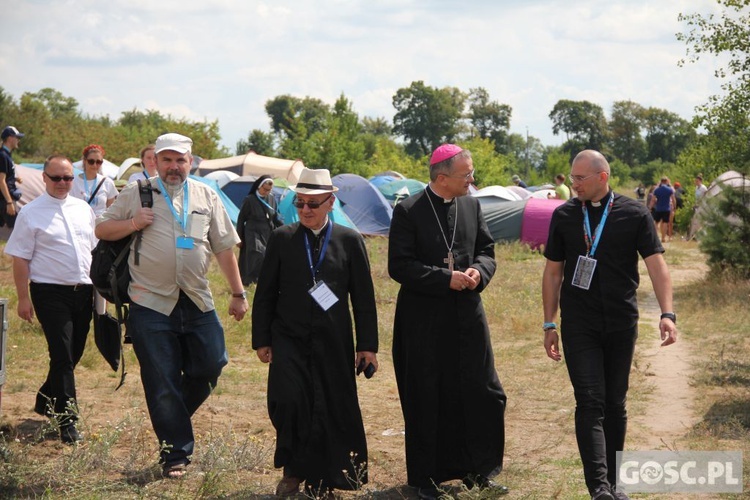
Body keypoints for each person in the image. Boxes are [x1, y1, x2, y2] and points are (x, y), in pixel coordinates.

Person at [95, 133, 248, 478]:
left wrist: (238, 293)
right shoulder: (138, 192)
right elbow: (102, 228)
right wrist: (133, 223)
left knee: (212, 363)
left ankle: (171, 416)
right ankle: (175, 454)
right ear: (156, 161)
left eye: (180, 160)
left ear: (191, 161)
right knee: (161, 378)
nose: (174, 166)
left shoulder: (207, 195)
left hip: (196, 298)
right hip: (150, 301)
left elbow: (224, 248)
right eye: (167, 159)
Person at [542, 149, 678, 500]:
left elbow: (656, 265)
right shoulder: (564, 215)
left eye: (580, 178)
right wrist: (548, 323)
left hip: (621, 321)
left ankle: (616, 484)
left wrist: (667, 313)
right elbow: (553, 272)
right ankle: (599, 488)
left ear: (603, 177)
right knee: (589, 401)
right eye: (571, 178)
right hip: (579, 324)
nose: (574, 184)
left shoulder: (634, 214)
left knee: (615, 403)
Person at [388, 144, 508, 500]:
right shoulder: (408, 210)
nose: (473, 180)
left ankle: (480, 471)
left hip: (467, 316)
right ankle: (426, 479)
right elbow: (400, 266)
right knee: (426, 394)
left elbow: (487, 251)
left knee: (483, 392)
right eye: (467, 174)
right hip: (423, 320)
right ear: (442, 178)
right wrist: (444, 278)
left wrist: (477, 271)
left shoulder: (472, 205)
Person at [252, 168, 378, 499]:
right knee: (291, 402)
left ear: (330, 202)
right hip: (288, 338)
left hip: (334, 339)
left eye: (313, 204)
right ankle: (293, 471)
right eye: (300, 203)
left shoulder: (349, 241)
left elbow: (363, 299)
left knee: (331, 406)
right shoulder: (282, 238)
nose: (306, 210)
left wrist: (367, 345)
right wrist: (261, 339)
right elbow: (265, 292)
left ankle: (322, 480)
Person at [4, 155, 97, 444]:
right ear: (43, 178)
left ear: (74, 178)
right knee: (62, 355)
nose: (62, 183)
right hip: (49, 293)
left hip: (83, 292)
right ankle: (67, 421)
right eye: (56, 178)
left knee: (74, 353)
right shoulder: (30, 213)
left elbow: (93, 249)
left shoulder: (83, 208)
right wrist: (23, 298)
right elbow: (20, 258)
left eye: (67, 178)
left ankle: (46, 397)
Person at [236, 174, 282, 285]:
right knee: (257, 254)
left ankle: (260, 280)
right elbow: (241, 219)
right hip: (253, 231)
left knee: (266, 256)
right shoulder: (250, 200)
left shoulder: (272, 199)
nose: (266, 192)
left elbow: (275, 217)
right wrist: (239, 237)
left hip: (267, 231)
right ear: (259, 186)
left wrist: (284, 229)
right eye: (265, 189)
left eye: (269, 190)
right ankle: (250, 280)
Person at [71, 144, 118, 217]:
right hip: (79, 221)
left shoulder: (107, 182)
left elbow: (111, 210)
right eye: (91, 161)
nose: (95, 165)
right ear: (84, 161)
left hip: (100, 225)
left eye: (98, 162)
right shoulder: (73, 181)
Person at [0, 125, 25, 228]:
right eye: (17, 138)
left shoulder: (6, 154)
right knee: (19, 229)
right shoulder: (3, 155)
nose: (18, 140)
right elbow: (1, 181)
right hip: (5, 200)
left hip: (3, 199)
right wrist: (9, 202)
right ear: (10, 138)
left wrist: (14, 178)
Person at [649, 177, 675, 243]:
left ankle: (655, 237)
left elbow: (653, 200)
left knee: (656, 222)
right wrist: (674, 207)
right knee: (665, 223)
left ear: (661, 181)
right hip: (666, 208)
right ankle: (663, 238)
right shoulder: (669, 189)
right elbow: (673, 199)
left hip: (658, 208)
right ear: (666, 182)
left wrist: (650, 207)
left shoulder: (657, 190)